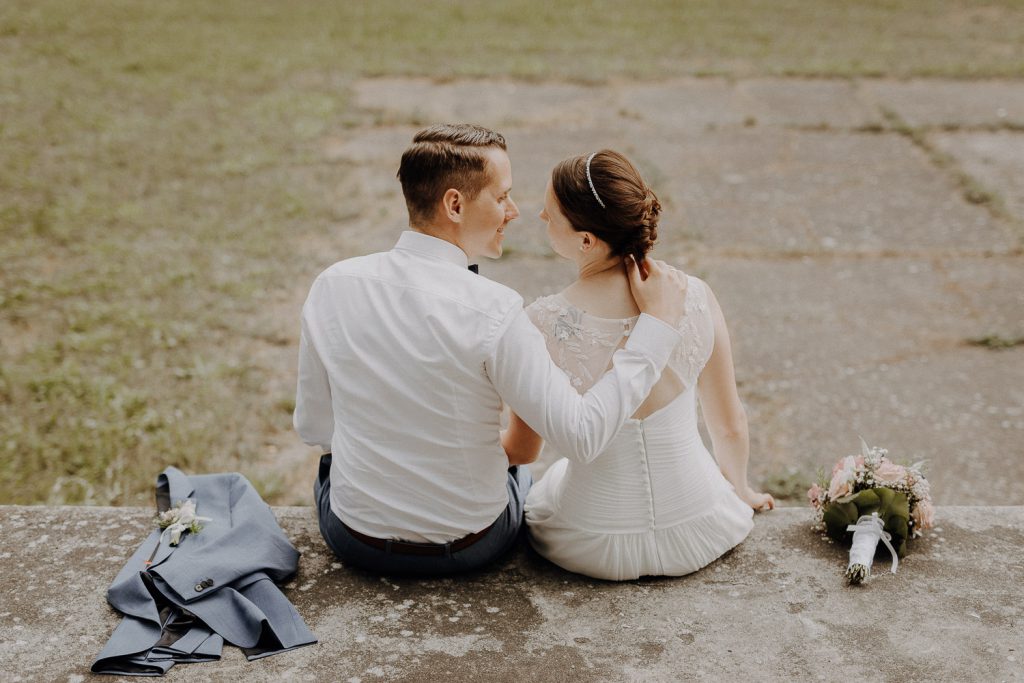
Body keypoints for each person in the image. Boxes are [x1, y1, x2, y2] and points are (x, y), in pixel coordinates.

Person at [293, 125, 689, 576]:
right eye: (502, 197)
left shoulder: (333, 284)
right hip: (470, 546)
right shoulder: (496, 310)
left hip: (353, 539)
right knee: (524, 475)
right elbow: (581, 436)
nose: (515, 212)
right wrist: (655, 329)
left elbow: (314, 427)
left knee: (334, 461)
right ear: (455, 205)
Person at [505, 150, 775, 581]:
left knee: (550, 481)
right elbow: (730, 425)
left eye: (549, 213)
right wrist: (739, 490)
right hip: (702, 528)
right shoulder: (697, 296)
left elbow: (522, 448)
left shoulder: (542, 323)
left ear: (586, 240)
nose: (539, 215)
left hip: (588, 541)